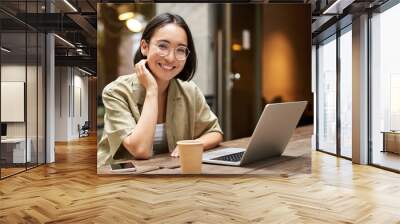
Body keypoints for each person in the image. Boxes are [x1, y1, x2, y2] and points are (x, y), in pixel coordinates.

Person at [98, 13, 223, 167]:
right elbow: (140, 149)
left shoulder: (189, 91)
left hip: (168, 175)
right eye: (163, 46)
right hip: (118, 180)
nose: (171, 58)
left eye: (180, 49)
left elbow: (215, 132)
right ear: (144, 47)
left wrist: (195, 144)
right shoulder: (116, 91)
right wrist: (151, 90)